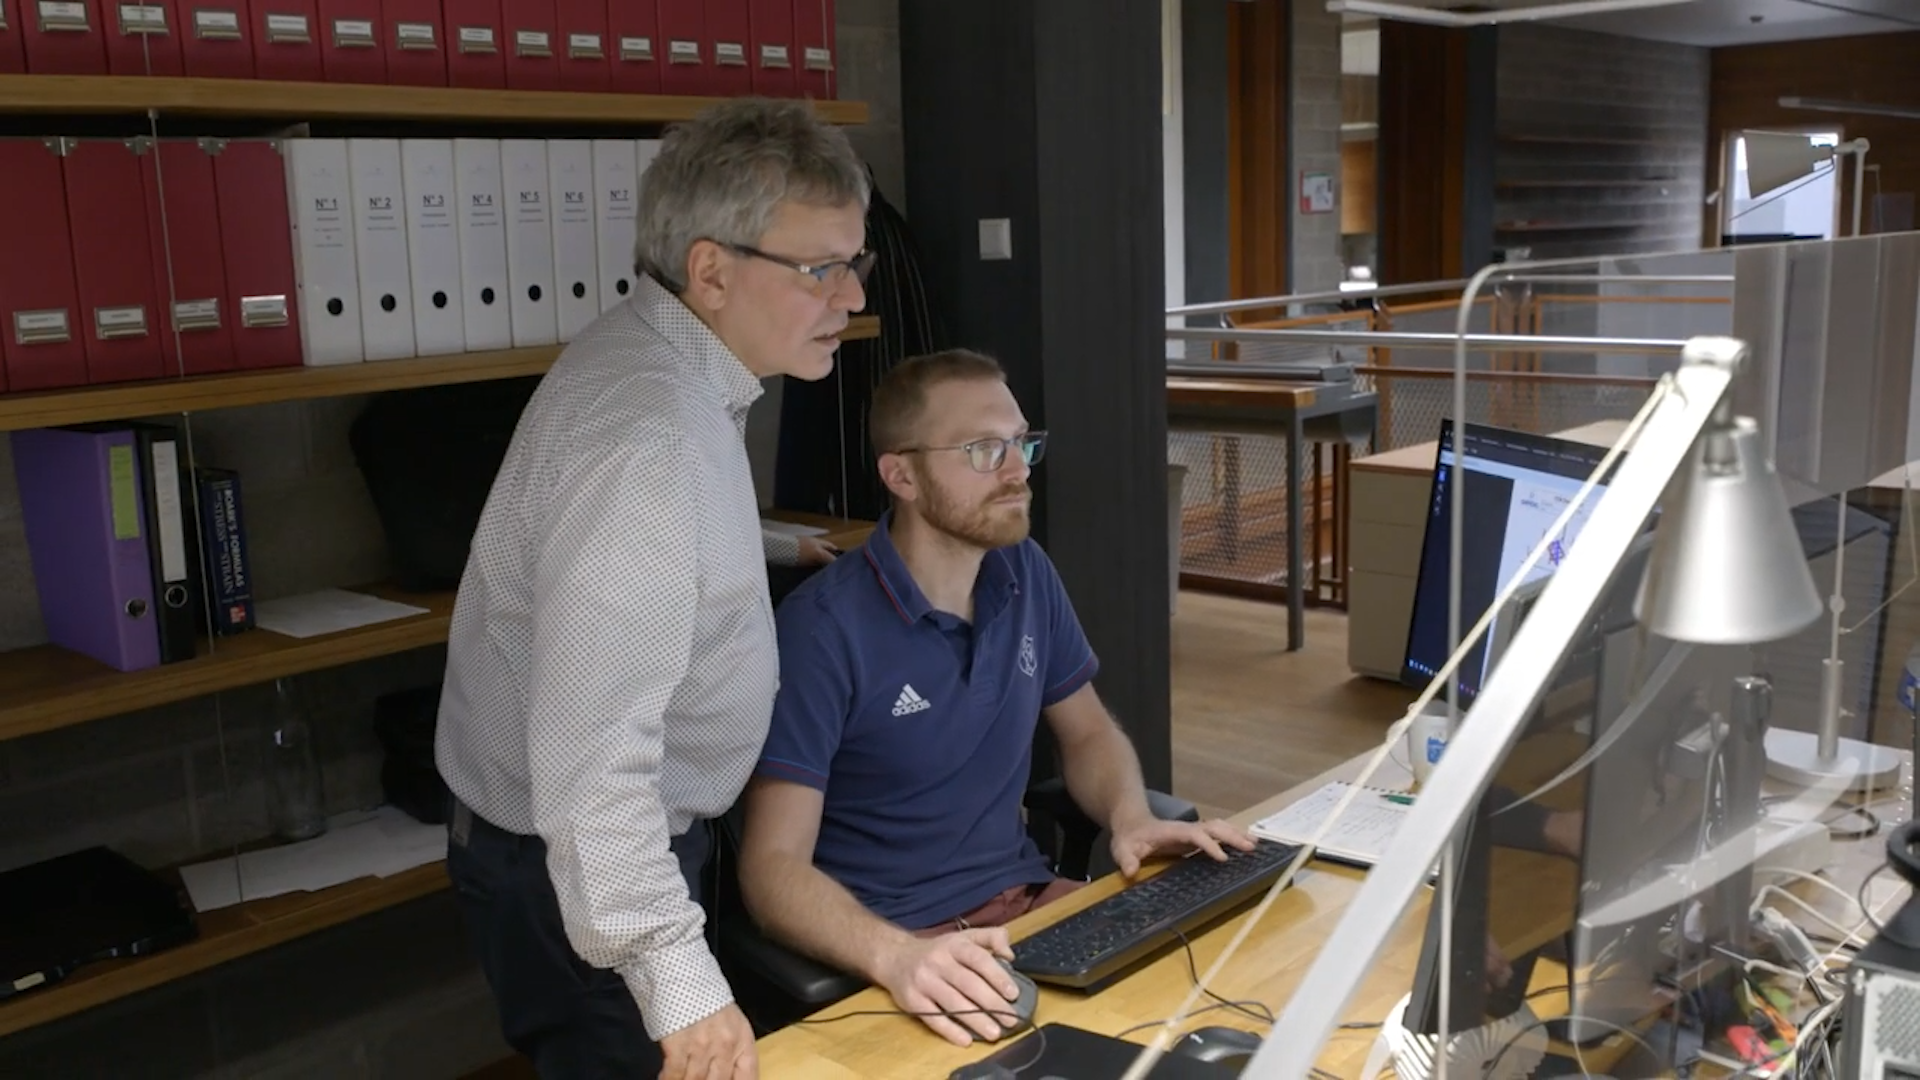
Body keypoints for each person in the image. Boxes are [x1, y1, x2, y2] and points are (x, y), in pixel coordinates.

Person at [434, 97, 872, 1080]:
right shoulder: (651, 445)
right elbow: (593, 756)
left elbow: (636, 541)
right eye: (820, 269)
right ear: (712, 270)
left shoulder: (657, 361)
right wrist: (678, 978)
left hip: (580, 855)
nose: (850, 297)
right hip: (581, 875)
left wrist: (765, 545)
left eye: (856, 263)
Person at [734, 349, 1256, 1048]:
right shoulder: (823, 632)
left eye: (1021, 444)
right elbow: (772, 870)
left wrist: (1130, 816)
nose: (1017, 471)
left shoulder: (1023, 570)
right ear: (901, 474)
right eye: (984, 450)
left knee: (1233, 993)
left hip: (1030, 915)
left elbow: (1089, 732)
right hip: (906, 950)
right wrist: (897, 958)